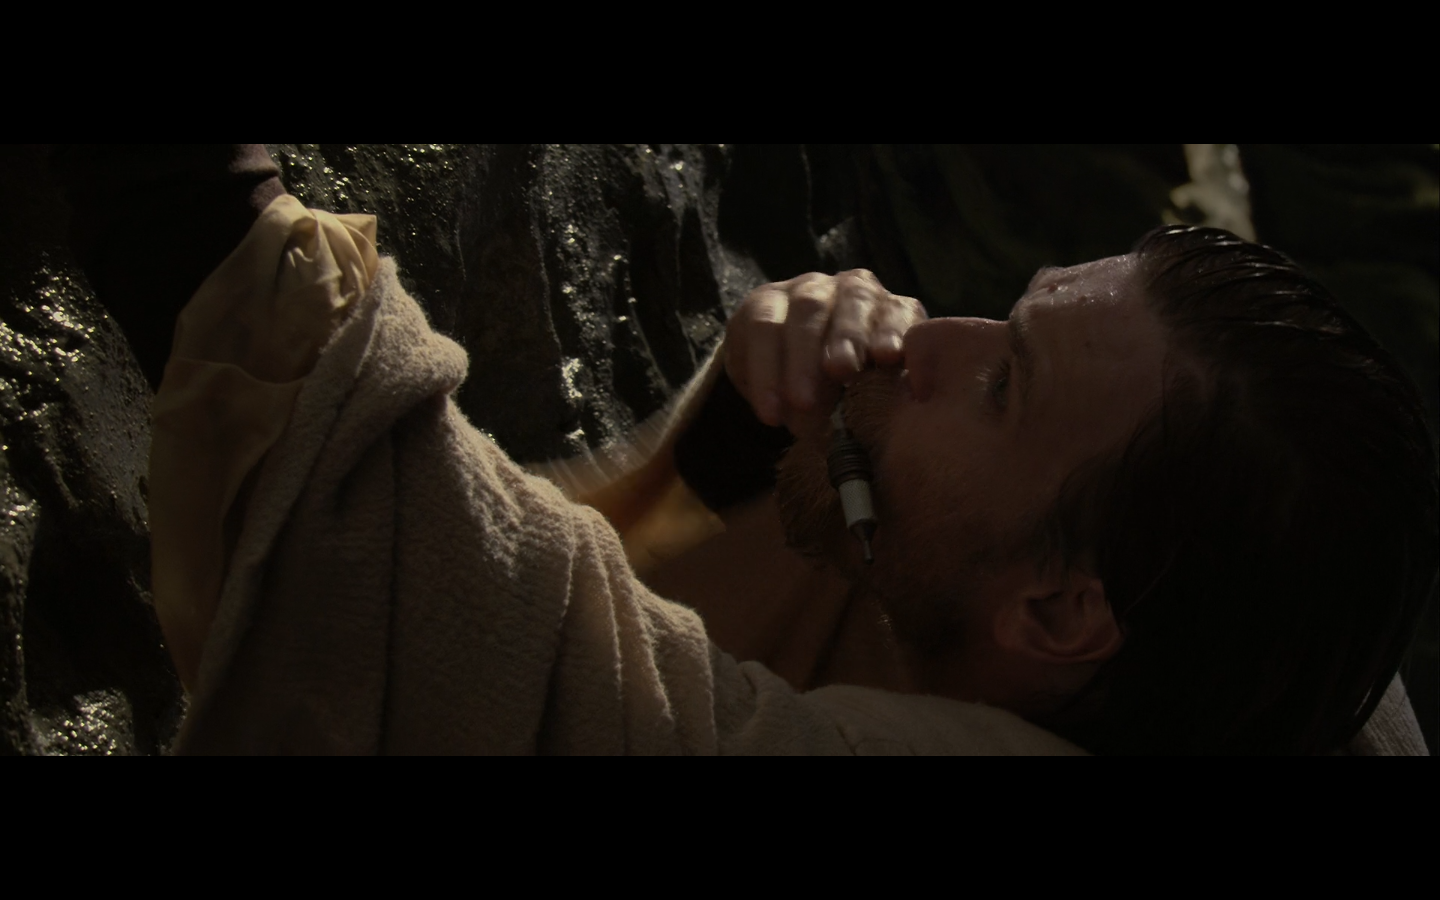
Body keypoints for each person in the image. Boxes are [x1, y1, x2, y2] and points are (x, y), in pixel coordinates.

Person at [56, 145, 1435, 754]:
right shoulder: (1234, 630)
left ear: (1067, 614)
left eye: (1004, 382)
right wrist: (739, 469)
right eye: (1001, 318)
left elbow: (525, 675)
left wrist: (196, 210)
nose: (924, 338)